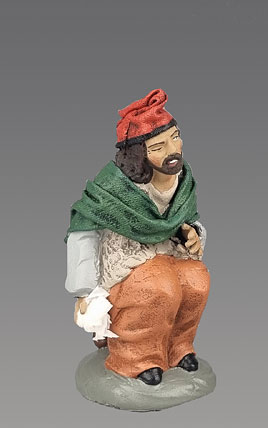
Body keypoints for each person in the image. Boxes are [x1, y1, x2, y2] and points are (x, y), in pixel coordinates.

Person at [65, 89, 210, 385]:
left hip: (168, 253)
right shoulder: (113, 188)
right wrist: (84, 291)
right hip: (125, 264)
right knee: (157, 287)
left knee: (197, 282)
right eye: (158, 146)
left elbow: (183, 218)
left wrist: (193, 233)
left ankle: (177, 347)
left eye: (176, 137)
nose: (173, 150)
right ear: (139, 155)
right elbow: (83, 230)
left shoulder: (182, 179)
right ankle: (135, 357)